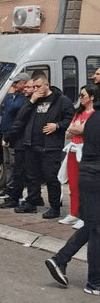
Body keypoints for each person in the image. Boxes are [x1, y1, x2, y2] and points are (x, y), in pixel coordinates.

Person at [45, 108, 100, 294]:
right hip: (95, 175)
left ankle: (60, 260)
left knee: (91, 225)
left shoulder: (93, 117)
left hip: (89, 173)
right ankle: (94, 282)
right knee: (97, 228)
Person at [6, 73, 73, 218]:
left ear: (46, 85)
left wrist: (57, 126)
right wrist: (32, 100)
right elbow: (21, 116)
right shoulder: (33, 100)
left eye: (39, 86)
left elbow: (70, 118)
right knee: (31, 176)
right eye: (34, 87)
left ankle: (55, 207)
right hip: (31, 144)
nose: (36, 89)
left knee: (51, 177)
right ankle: (32, 201)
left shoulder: (61, 100)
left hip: (50, 146)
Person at [59, 84, 96, 229]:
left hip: (86, 151)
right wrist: (76, 129)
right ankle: (74, 213)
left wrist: (76, 129)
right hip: (73, 150)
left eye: (83, 95)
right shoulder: (78, 113)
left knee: (85, 185)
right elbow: (68, 132)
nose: (80, 98)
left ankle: (85, 216)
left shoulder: (94, 114)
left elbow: (83, 129)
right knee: (73, 184)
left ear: (91, 97)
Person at [0, 72, 29, 199]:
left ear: (24, 83)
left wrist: (9, 95)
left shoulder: (23, 99)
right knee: (7, 164)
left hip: (15, 136)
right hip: (6, 134)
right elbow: (5, 109)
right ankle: (8, 188)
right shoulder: (15, 96)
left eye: (16, 83)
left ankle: (13, 190)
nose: (14, 85)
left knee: (14, 165)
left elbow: (12, 107)